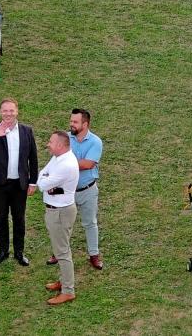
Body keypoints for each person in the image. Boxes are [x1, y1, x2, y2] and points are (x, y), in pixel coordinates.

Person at [0, 98, 39, 267]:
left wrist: (33, 182)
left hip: (19, 184)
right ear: (0, 112)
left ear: (17, 111)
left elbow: (33, 158)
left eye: (11, 110)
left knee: (19, 218)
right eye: (5, 110)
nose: (8, 114)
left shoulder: (26, 131)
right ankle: (3, 251)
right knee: (1, 218)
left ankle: (19, 252)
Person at [31, 131, 79, 305]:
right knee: (61, 249)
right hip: (57, 210)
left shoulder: (65, 164)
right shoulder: (58, 158)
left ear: (60, 145)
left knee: (62, 252)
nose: (48, 144)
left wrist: (46, 180)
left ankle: (68, 291)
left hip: (60, 212)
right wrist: (46, 179)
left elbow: (43, 184)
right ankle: (64, 281)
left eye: (51, 142)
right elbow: (43, 174)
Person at [68, 109, 104, 268]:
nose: (71, 124)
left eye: (75, 122)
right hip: (67, 191)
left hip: (87, 190)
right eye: (71, 121)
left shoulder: (95, 142)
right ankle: (58, 253)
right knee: (64, 225)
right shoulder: (65, 138)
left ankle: (94, 255)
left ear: (85, 124)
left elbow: (88, 164)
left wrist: (66, 163)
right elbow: (57, 157)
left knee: (90, 223)